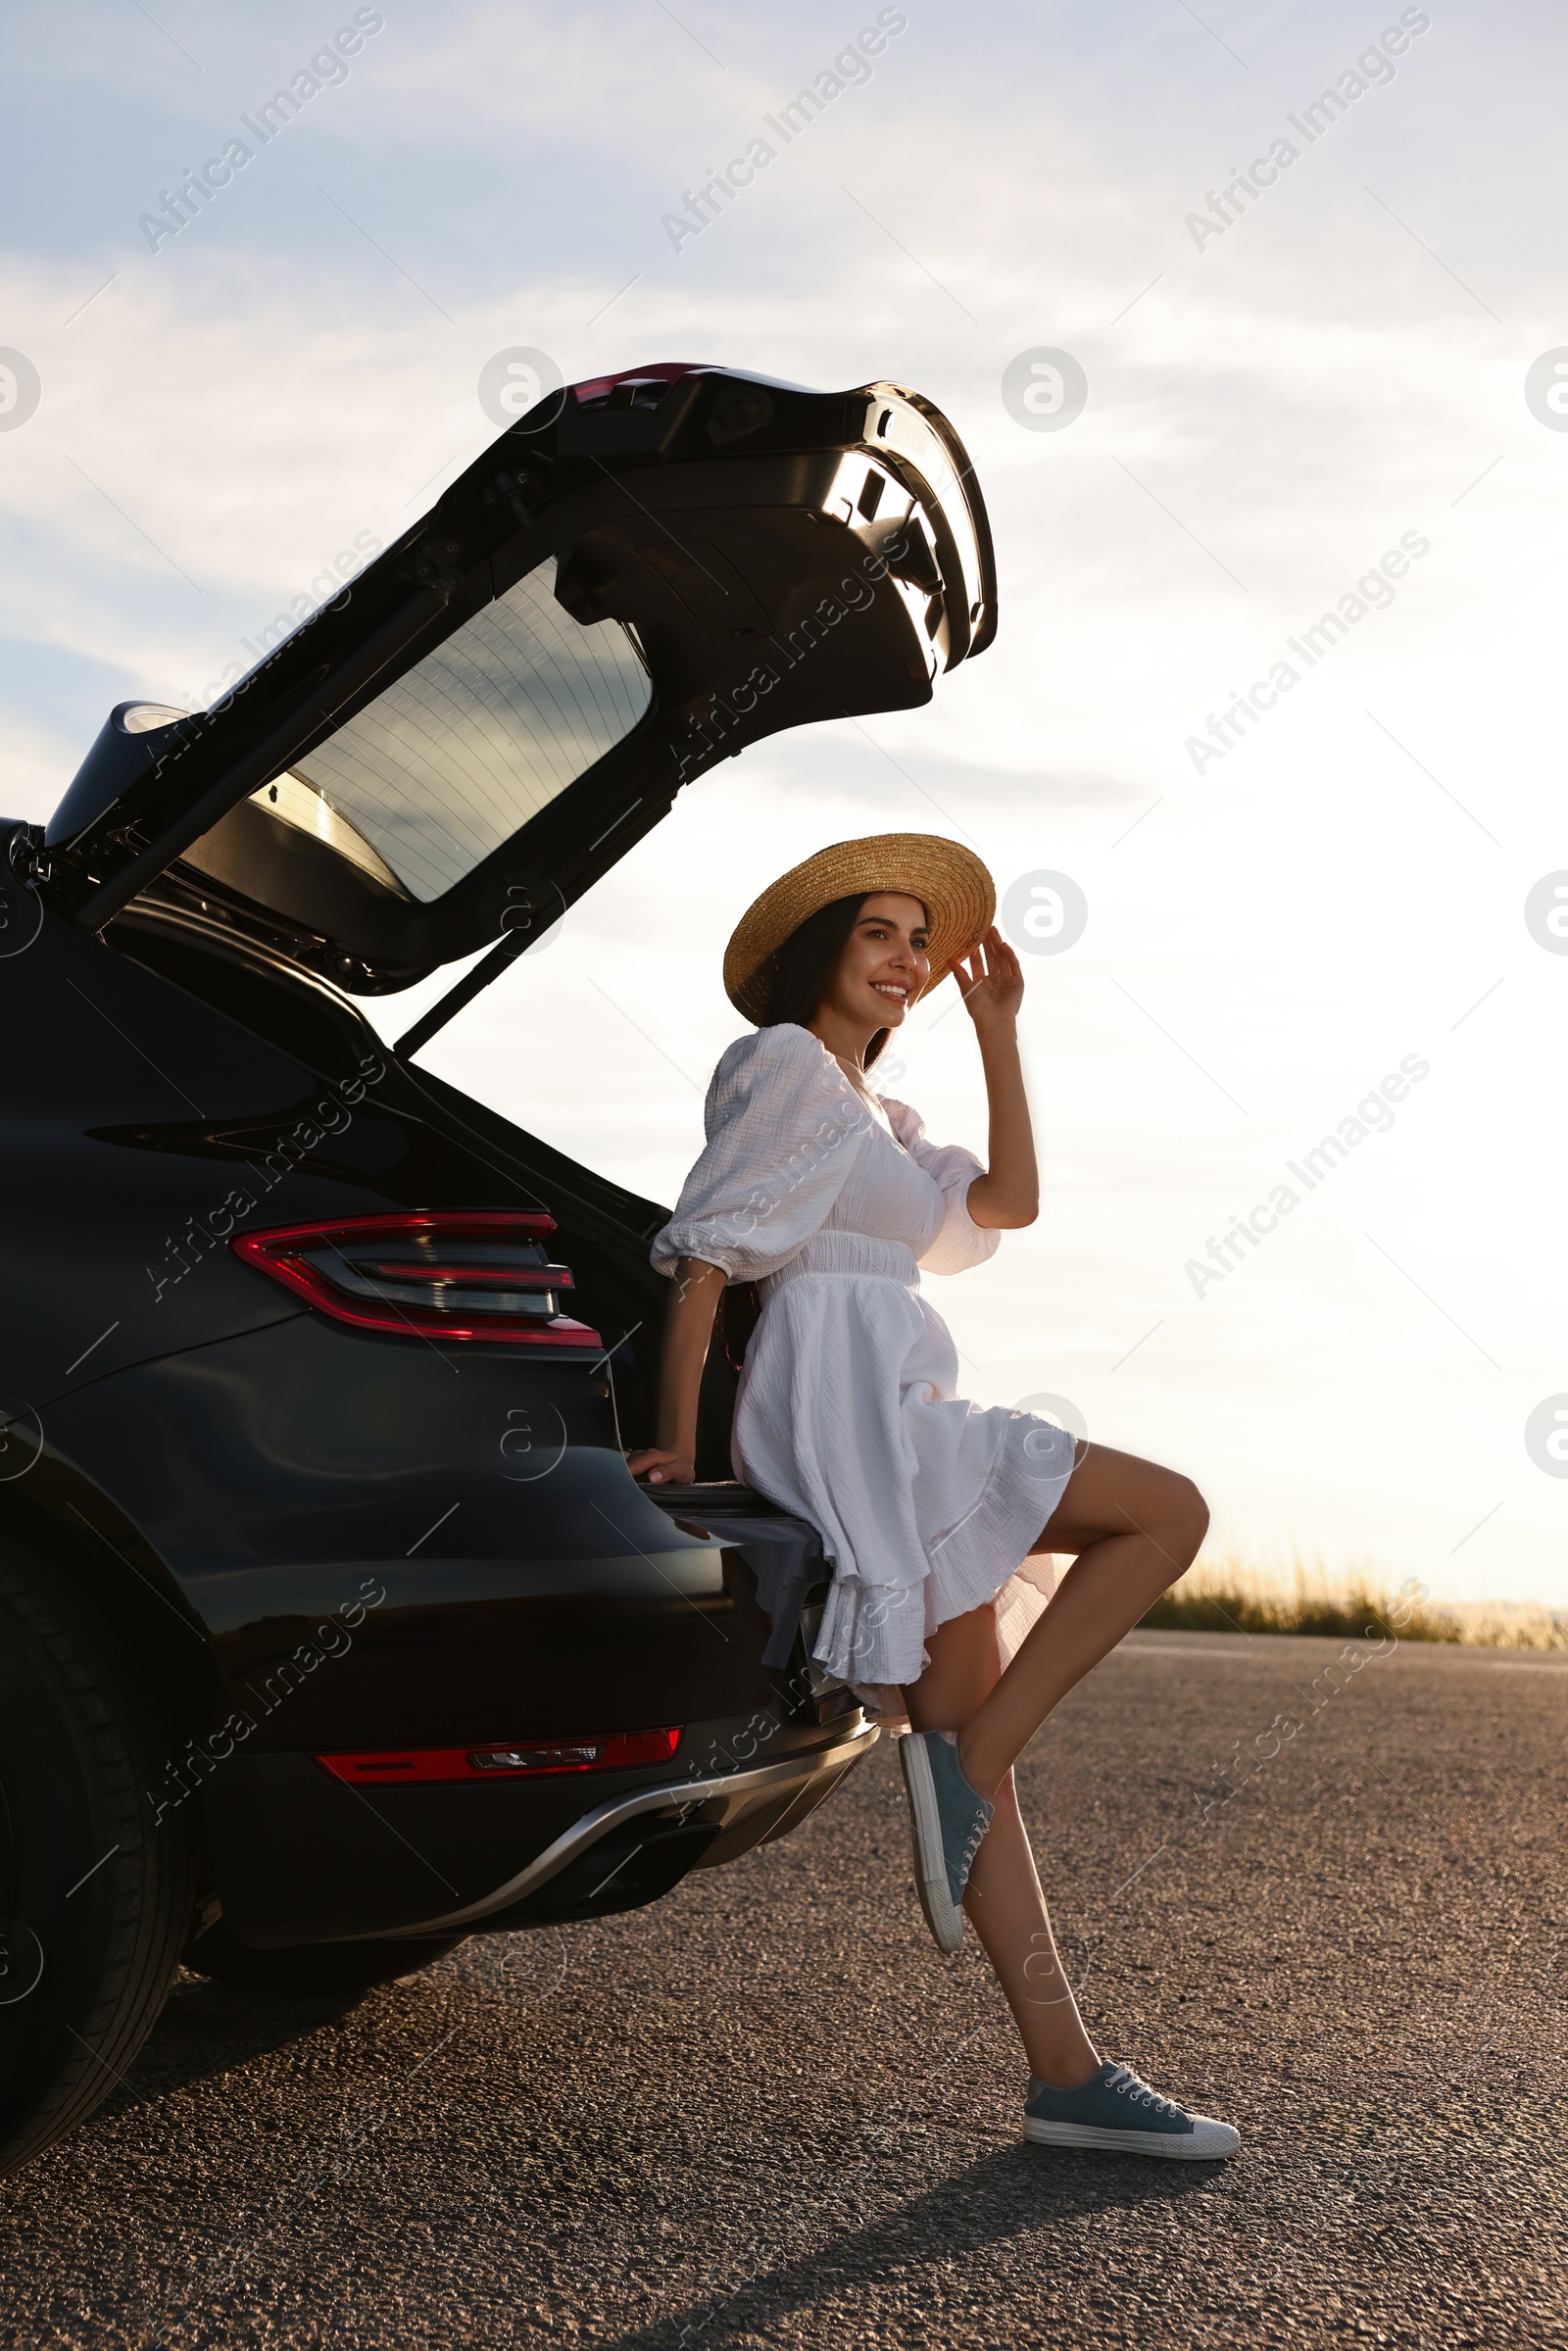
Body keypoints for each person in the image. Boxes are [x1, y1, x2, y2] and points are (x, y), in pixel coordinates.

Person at [628, 834, 1239, 2162]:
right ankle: (973, 1758)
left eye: (920, 940)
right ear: (821, 955)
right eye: (880, 937)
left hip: (900, 1399)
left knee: (994, 1741)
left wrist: (999, 1028)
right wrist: (675, 1448)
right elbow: (705, 1259)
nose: (908, 960)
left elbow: (1008, 1201)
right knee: (1167, 1513)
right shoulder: (784, 1067)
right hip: (854, 1412)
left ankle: (1065, 2074)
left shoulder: (883, 1118)